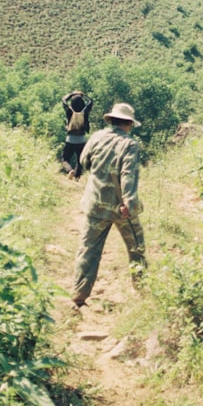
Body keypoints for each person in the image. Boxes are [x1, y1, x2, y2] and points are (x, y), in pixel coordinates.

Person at [69, 102, 146, 309]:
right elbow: (127, 174)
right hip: (121, 208)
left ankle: (78, 295)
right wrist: (129, 202)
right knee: (136, 247)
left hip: (95, 204)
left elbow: (84, 162)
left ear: (111, 119)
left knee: (88, 249)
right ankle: (144, 292)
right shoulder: (130, 144)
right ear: (129, 123)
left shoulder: (96, 137)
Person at [61, 90, 93, 177]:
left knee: (65, 159)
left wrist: (72, 94)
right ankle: (77, 178)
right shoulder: (85, 112)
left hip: (70, 139)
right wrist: (83, 95)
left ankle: (70, 170)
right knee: (80, 161)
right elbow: (91, 101)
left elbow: (63, 100)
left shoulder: (69, 111)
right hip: (82, 139)